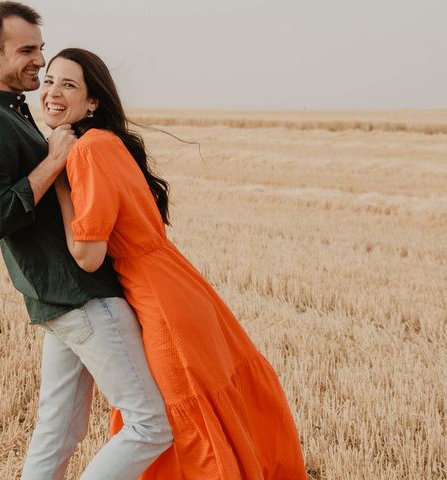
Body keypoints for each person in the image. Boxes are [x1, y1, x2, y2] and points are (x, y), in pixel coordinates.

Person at [42, 48, 309, 479]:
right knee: (194, 420)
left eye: (68, 84)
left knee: (182, 429)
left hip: (160, 304)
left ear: (93, 102)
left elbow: (88, 256)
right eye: (49, 80)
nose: (52, 91)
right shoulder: (110, 143)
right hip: (180, 285)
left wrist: (58, 181)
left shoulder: (88, 151)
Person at [0, 3, 172, 479]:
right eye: (26, 50)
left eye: (41, 49)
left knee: (58, 432)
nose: (38, 61)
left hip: (59, 300)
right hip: (80, 298)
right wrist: (54, 161)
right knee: (149, 425)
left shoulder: (14, 115)